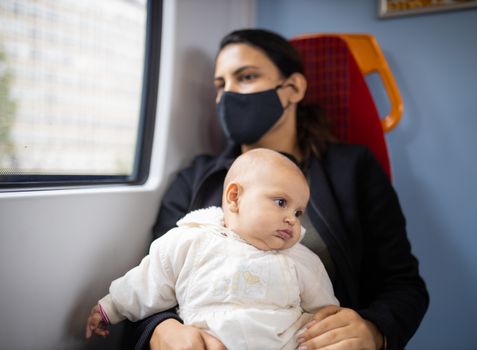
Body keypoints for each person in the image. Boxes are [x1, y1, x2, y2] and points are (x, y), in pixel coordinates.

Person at [129, 28, 429, 350]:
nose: (228, 95)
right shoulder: (196, 177)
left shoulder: (352, 168)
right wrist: (161, 330)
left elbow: (403, 285)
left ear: (293, 88)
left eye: (246, 77)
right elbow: (151, 276)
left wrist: (373, 330)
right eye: (221, 85)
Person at [86, 148, 339, 350]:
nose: (292, 219)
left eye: (298, 212)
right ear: (234, 198)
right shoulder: (191, 240)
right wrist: (111, 307)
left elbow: (325, 313)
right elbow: (149, 281)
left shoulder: (302, 260)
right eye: (281, 202)